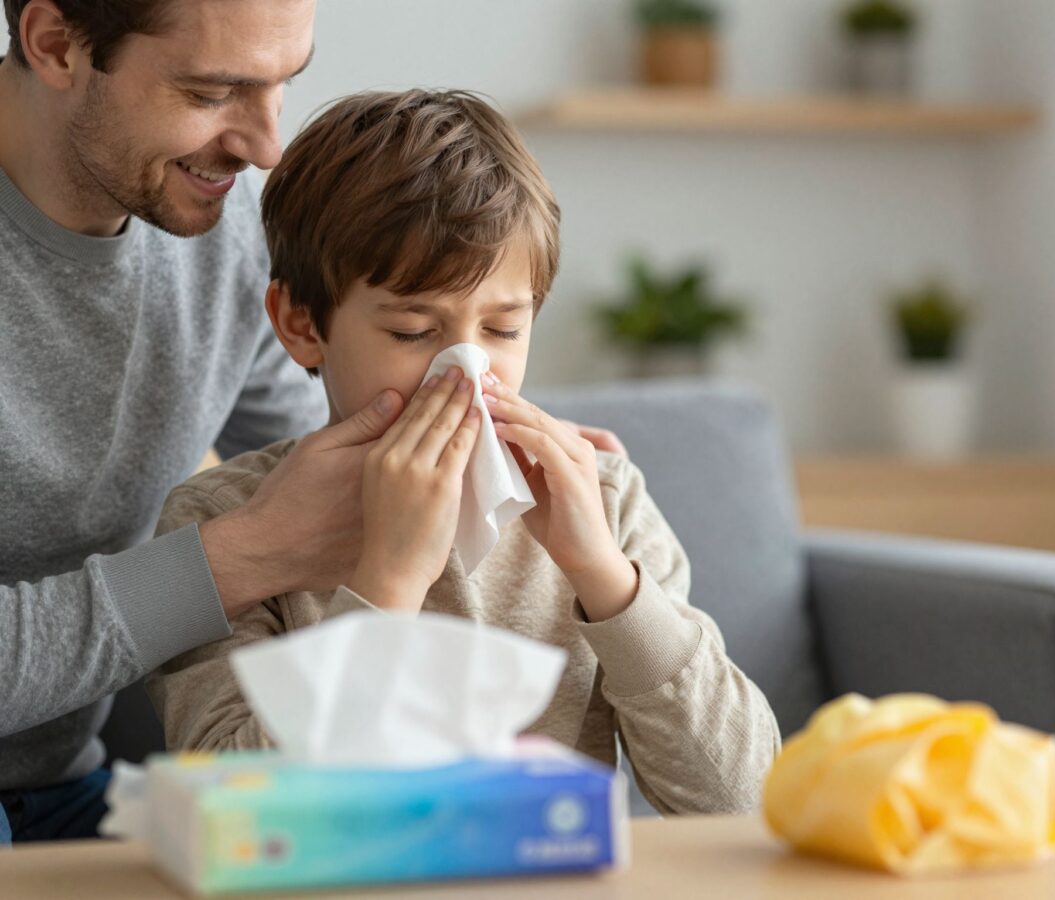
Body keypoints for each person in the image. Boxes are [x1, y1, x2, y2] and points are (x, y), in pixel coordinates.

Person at [0, 0, 620, 843]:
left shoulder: (222, 234)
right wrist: (241, 557)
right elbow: (279, 533)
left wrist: (508, 495)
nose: (265, 148)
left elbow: (331, 470)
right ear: (54, 45)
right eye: (213, 91)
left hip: (64, 790)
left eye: (282, 85)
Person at [148, 90, 781, 814]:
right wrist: (387, 582)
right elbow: (246, 814)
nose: (468, 373)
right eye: (415, 332)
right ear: (301, 325)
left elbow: (742, 802)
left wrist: (605, 578)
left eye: (504, 330)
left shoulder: (604, 502)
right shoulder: (224, 525)